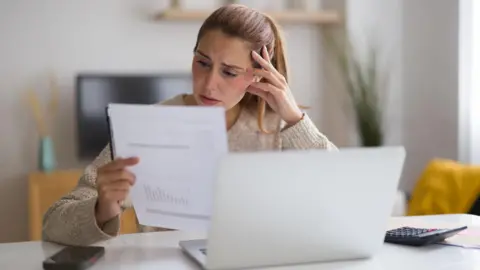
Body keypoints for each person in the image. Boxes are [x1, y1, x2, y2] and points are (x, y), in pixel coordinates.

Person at [42, 4, 338, 246]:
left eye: (230, 72)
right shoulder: (149, 125)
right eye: (203, 62)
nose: (209, 84)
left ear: (259, 75)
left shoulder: (283, 130)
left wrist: (294, 119)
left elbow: (341, 198)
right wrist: (102, 207)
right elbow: (53, 224)